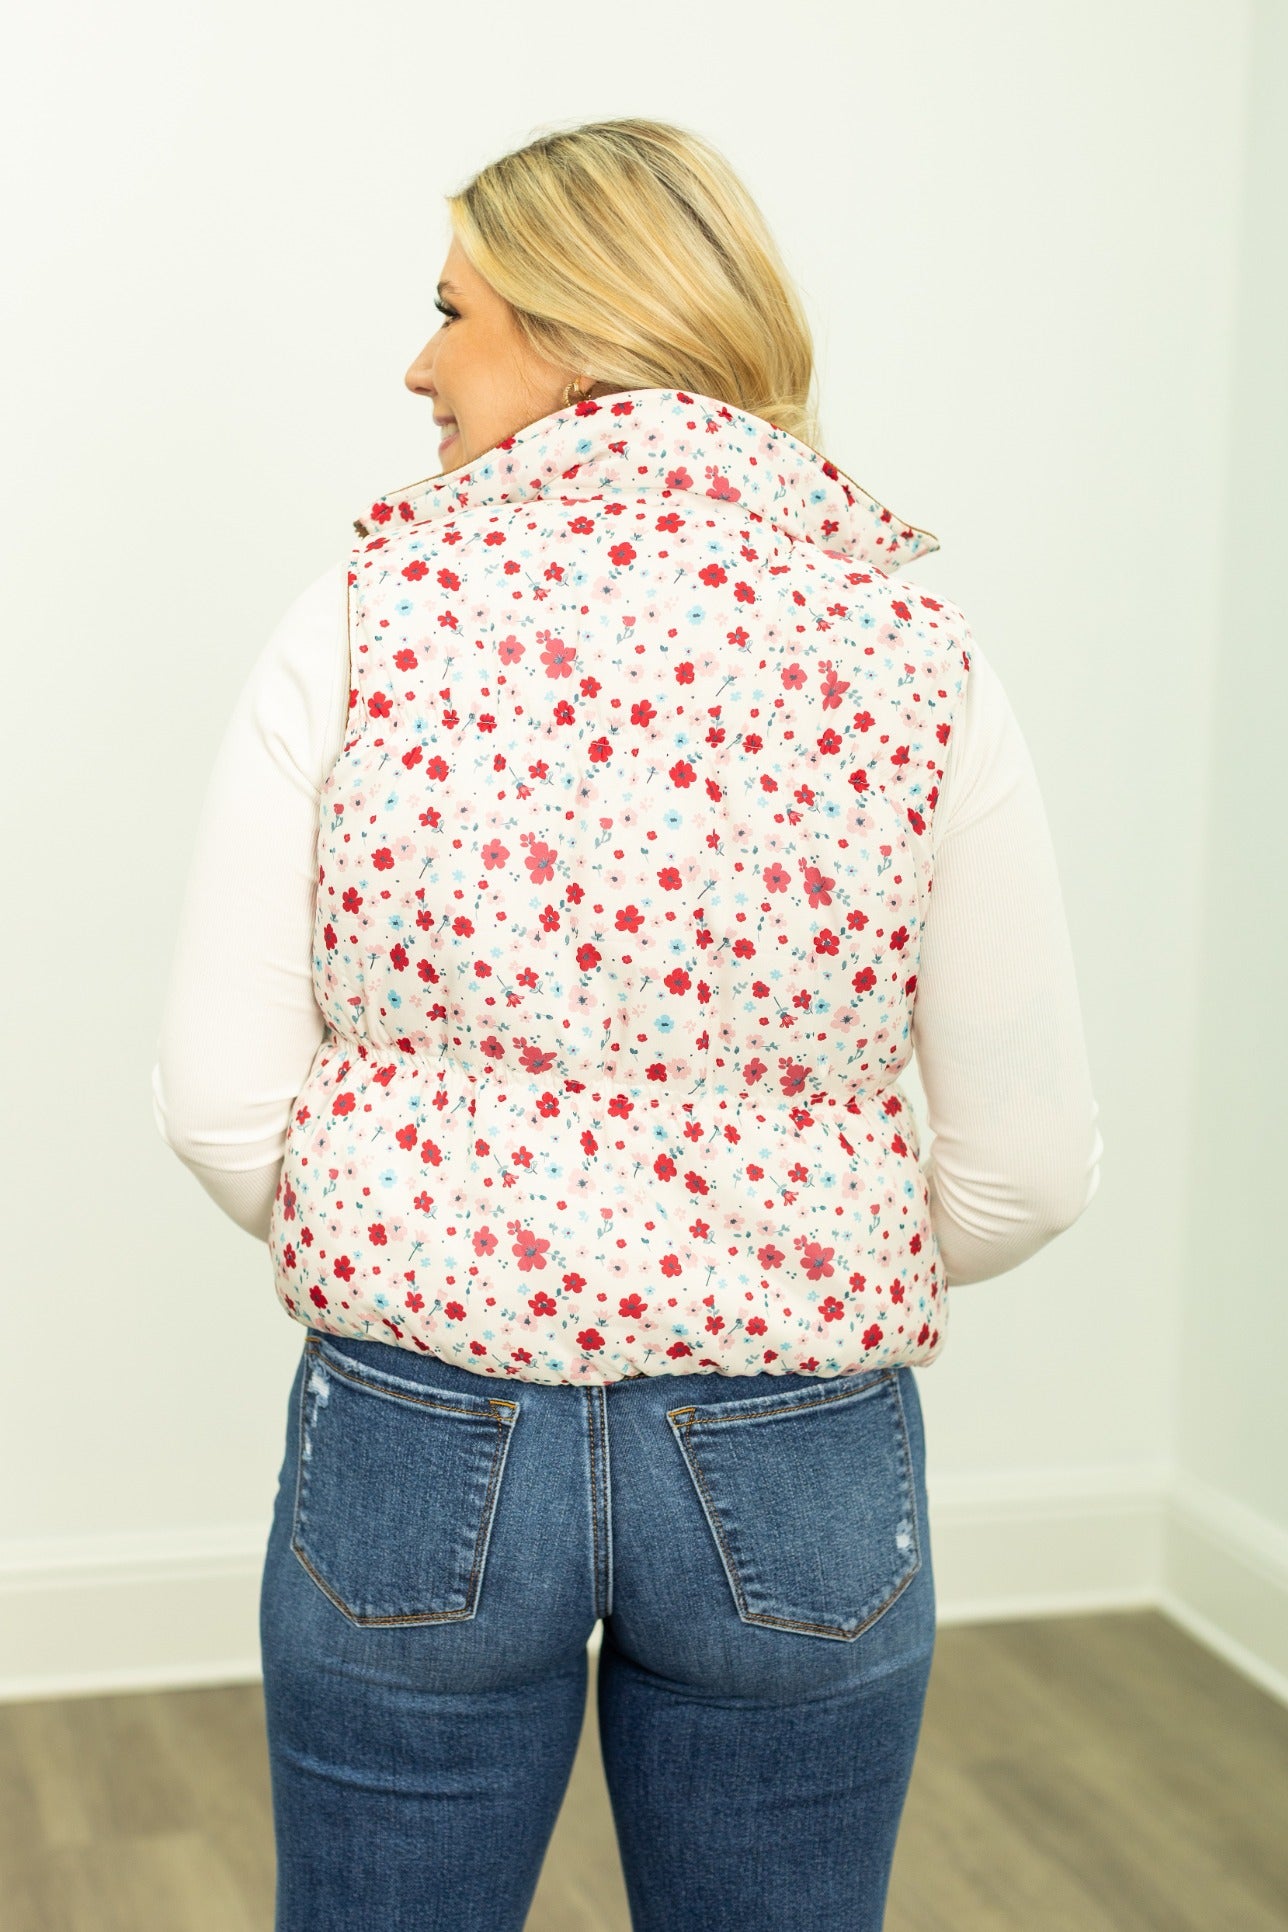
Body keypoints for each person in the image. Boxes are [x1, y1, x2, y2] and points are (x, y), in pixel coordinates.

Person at [152, 116, 1103, 1932]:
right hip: (798, 1442)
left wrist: (422, 1234)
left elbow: (219, 1109)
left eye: (453, 309)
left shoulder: (362, 615)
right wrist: (778, 1252)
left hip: (424, 1425)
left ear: (583, 325)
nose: (416, 363)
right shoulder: (916, 649)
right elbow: (1030, 1174)